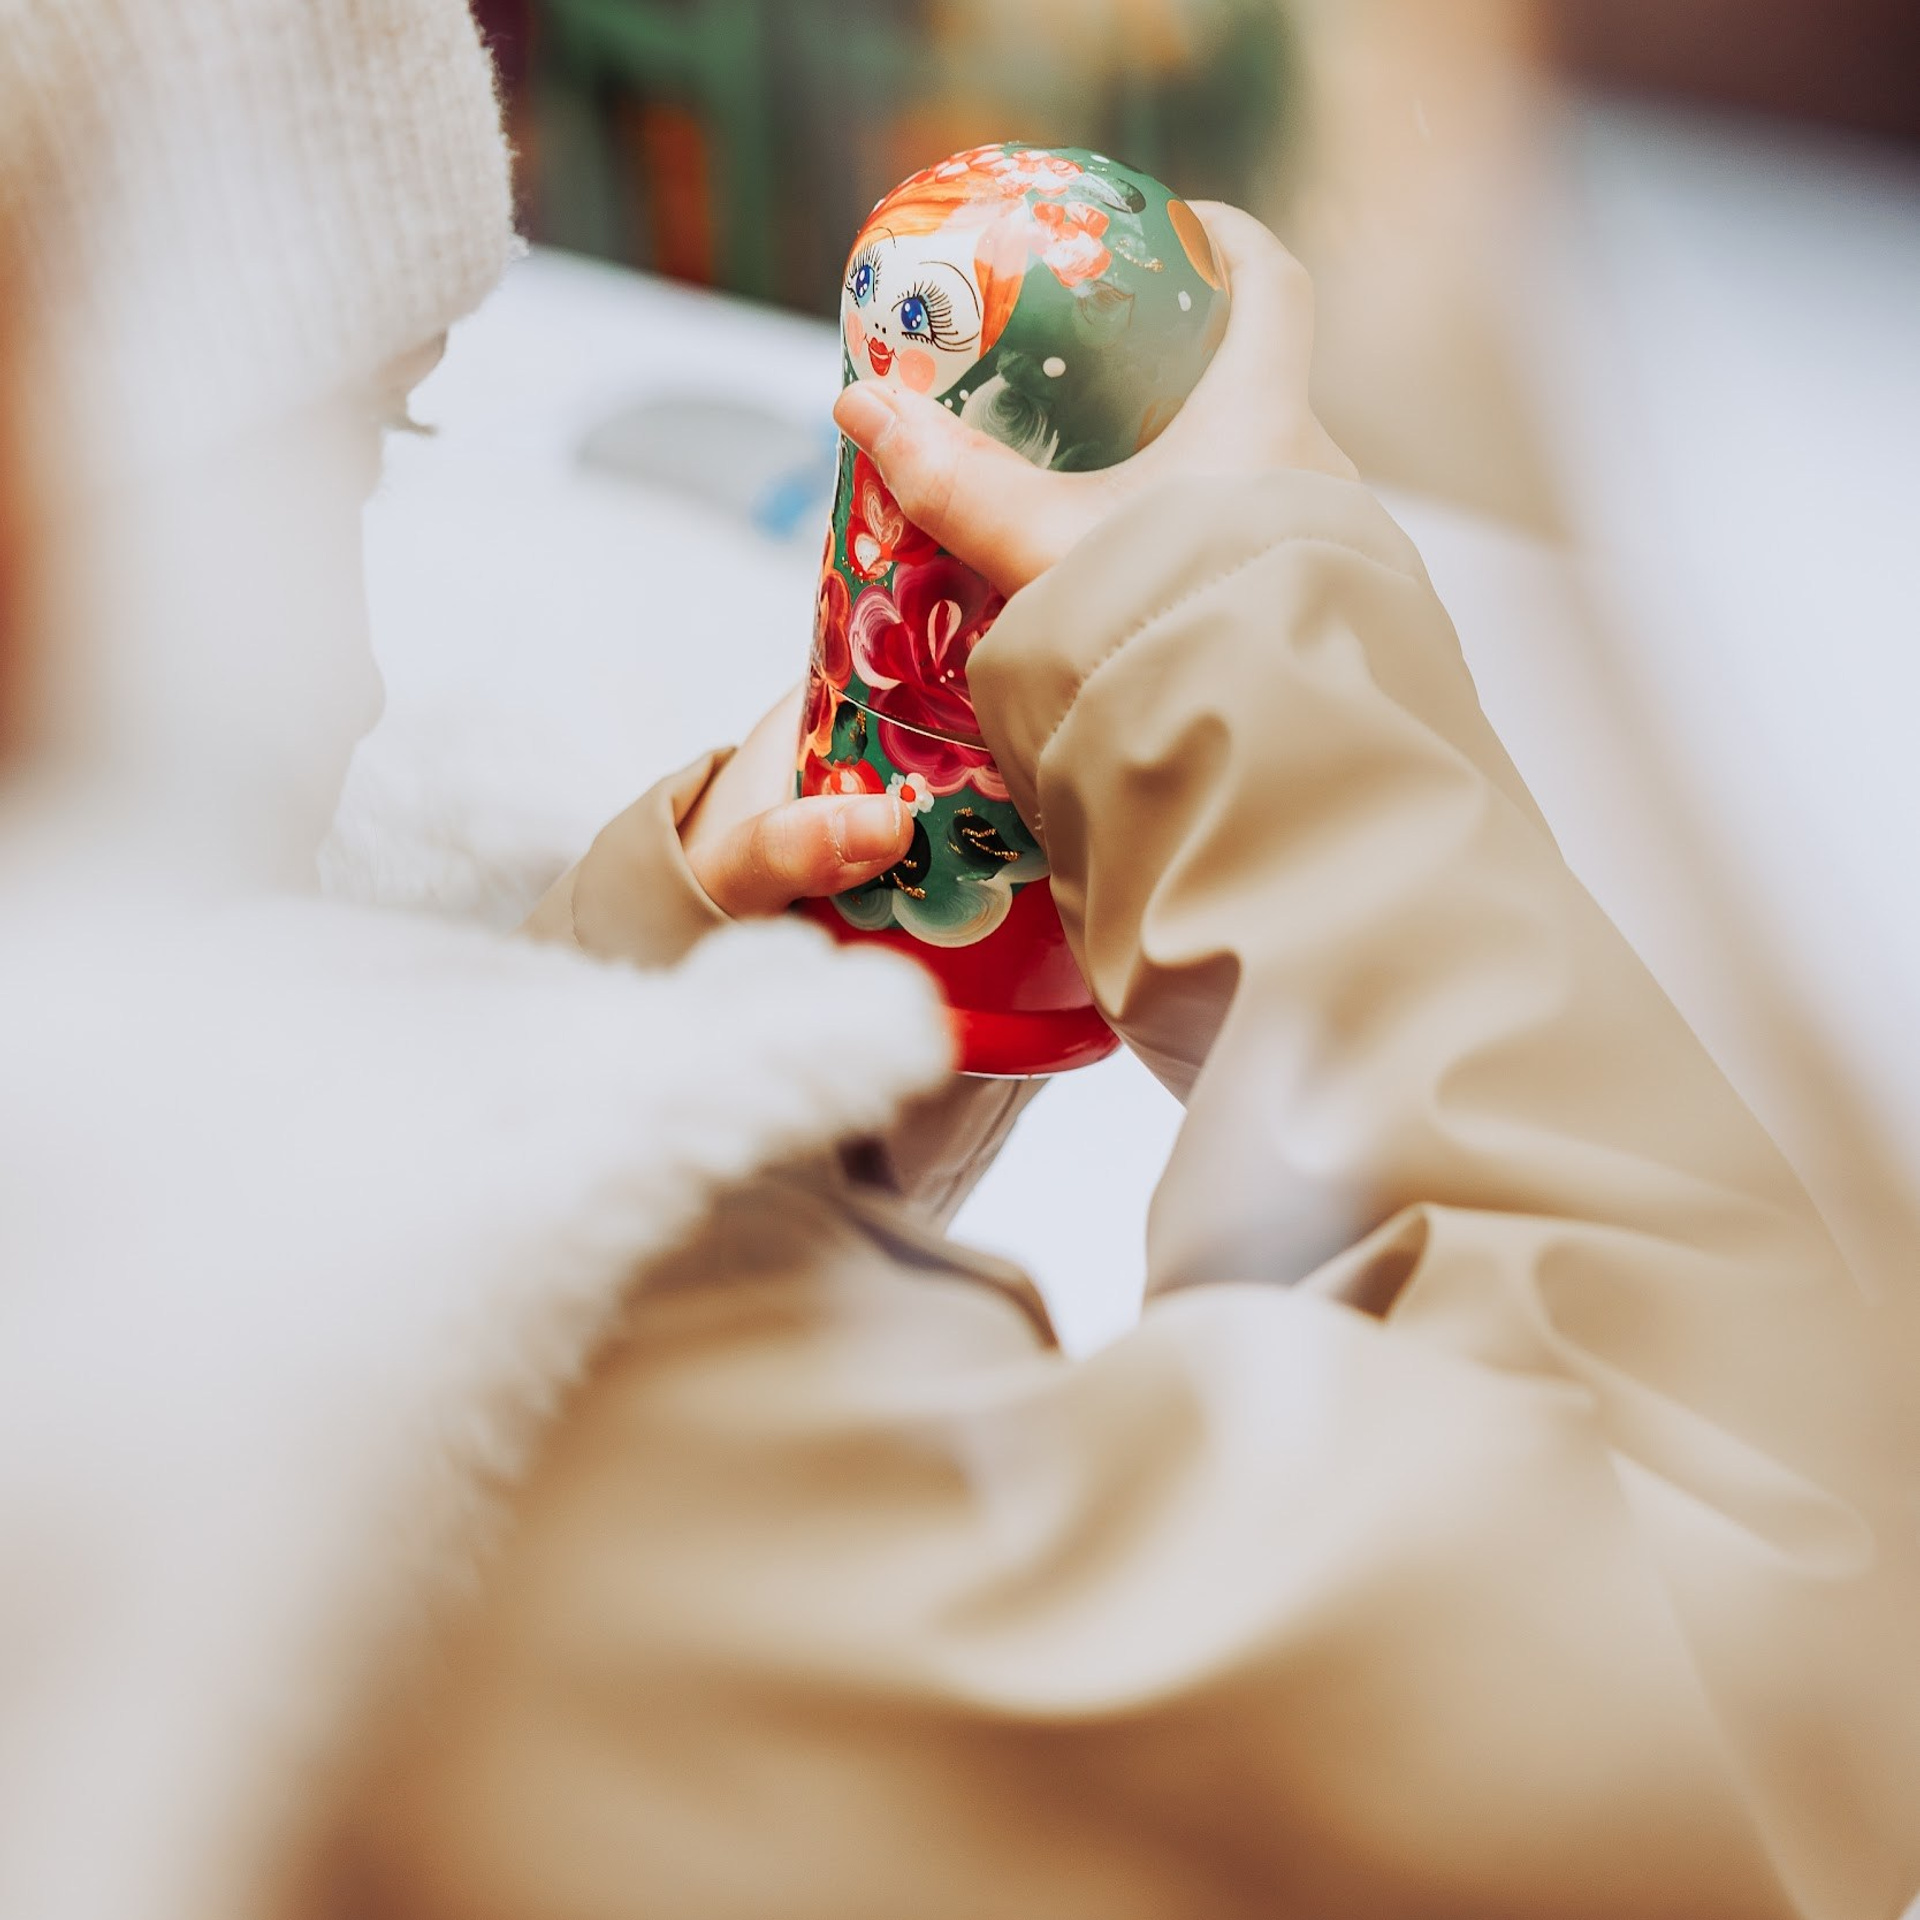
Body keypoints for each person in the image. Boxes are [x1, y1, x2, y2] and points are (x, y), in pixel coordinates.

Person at [0, 11, 1912, 1920]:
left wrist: (642, 1077)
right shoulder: (387, 1464)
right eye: (333, 449)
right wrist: (1249, 643)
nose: (326, 630)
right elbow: (1777, 1676)